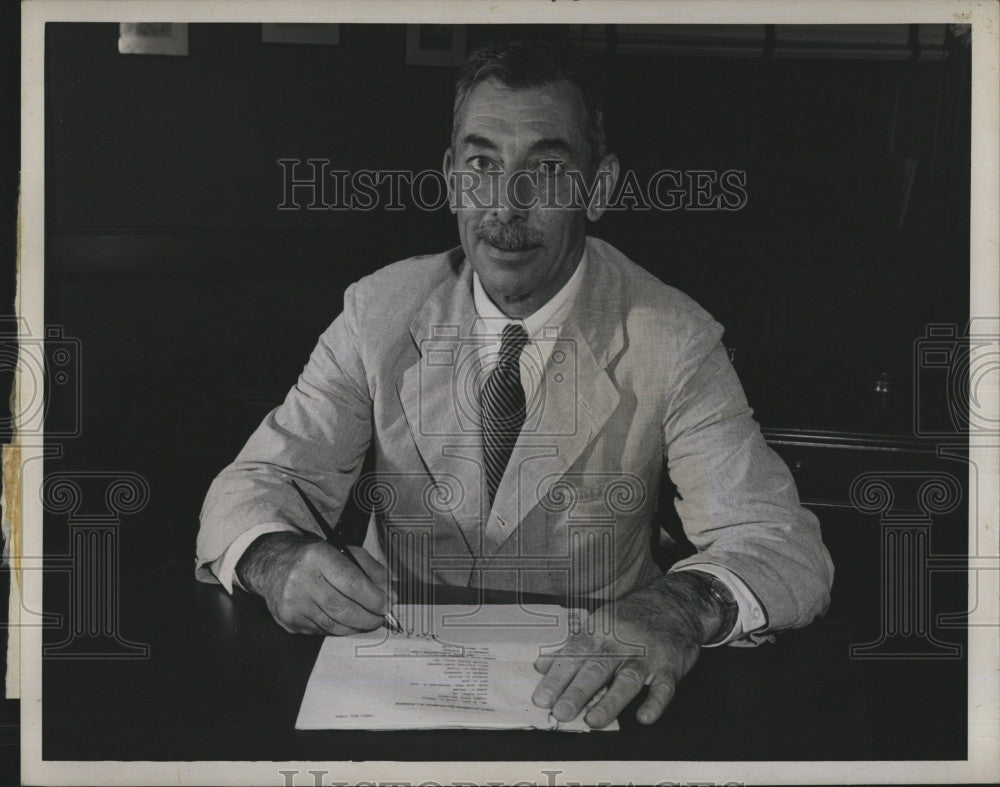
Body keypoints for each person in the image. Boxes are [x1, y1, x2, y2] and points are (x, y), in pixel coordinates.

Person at [196, 40, 833, 729]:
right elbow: (250, 483)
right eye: (482, 165)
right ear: (449, 177)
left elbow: (779, 541)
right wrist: (274, 557)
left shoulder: (672, 336)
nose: (506, 203)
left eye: (549, 170)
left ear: (601, 187)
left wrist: (682, 605)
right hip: (386, 686)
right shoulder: (377, 311)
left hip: (586, 697)